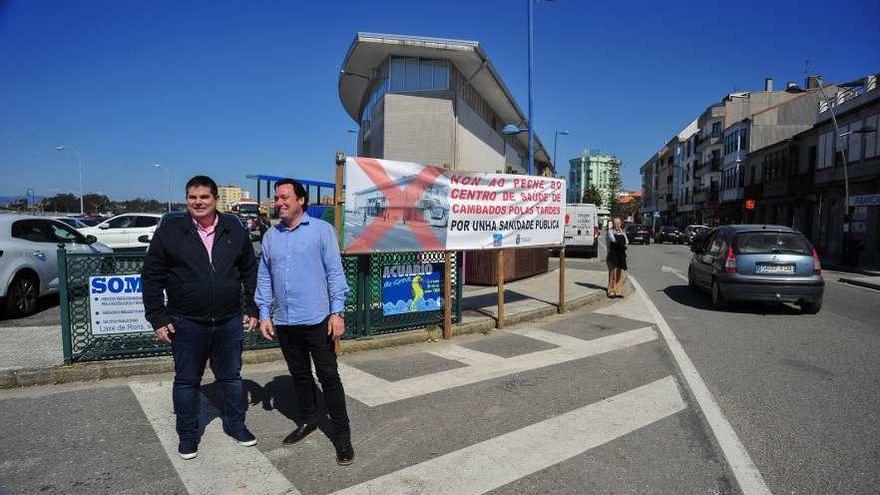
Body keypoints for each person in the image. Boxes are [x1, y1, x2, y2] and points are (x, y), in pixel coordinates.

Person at [141, 175, 259, 460]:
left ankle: (236, 425)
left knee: (231, 378)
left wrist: (253, 308)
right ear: (187, 200)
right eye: (192, 197)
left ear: (216, 199)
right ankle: (188, 435)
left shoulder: (233, 227)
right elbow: (152, 276)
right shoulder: (171, 230)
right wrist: (157, 317)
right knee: (186, 381)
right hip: (186, 322)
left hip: (229, 321)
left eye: (204, 197)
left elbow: (249, 270)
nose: (198, 202)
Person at [255, 178, 354, 466]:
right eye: (277, 198)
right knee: (299, 376)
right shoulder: (271, 236)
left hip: (317, 320)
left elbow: (335, 274)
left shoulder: (322, 231)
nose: (279, 202)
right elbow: (264, 276)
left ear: (301, 200)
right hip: (285, 321)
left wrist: (338, 313)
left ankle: (342, 434)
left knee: (329, 377)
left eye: (285, 197)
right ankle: (309, 420)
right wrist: (264, 313)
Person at [606, 217, 628, 298]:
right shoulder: (610, 231)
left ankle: (618, 290)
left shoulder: (622, 232)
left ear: (620, 224)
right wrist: (622, 241)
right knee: (613, 274)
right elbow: (613, 240)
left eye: (618, 223)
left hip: (620, 255)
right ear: (613, 224)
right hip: (612, 255)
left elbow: (627, 241)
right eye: (615, 223)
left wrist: (622, 233)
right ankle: (611, 291)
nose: (617, 225)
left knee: (619, 273)